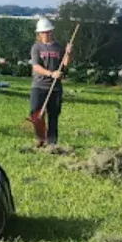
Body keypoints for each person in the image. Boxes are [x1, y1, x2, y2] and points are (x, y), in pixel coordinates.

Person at [29, 17, 73, 147]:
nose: (46, 34)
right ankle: (40, 138)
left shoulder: (58, 47)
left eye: (48, 31)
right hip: (39, 86)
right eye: (43, 32)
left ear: (51, 32)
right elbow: (36, 67)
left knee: (53, 115)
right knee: (36, 112)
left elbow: (65, 64)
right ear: (39, 33)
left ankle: (52, 142)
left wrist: (68, 53)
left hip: (55, 88)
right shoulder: (36, 48)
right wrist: (51, 74)